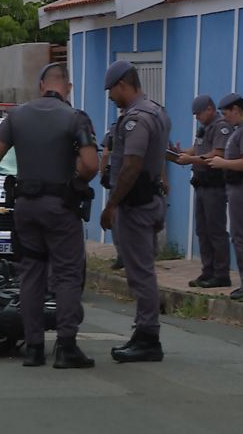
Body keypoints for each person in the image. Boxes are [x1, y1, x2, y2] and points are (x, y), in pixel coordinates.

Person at [0, 63, 99, 369]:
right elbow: (91, 165)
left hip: (25, 207)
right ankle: (66, 347)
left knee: (31, 272)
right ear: (67, 88)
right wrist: (77, 181)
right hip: (59, 207)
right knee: (68, 274)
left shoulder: (16, 116)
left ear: (41, 84)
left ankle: (33, 349)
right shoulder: (75, 118)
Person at [100, 60, 169, 364]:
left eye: (111, 91)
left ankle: (147, 337)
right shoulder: (157, 111)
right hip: (151, 200)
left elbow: (131, 164)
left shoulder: (136, 119)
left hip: (137, 206)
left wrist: (112, 204)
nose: (110, 97)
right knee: (143, 271)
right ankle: (144, 332)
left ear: (122, 86)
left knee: (141, 275)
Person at [208, 93, 243, 300]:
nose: (224, 119)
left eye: (225, 114)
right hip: (237, 186)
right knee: (239, 236)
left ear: (235, 109)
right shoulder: (241, 129)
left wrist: (222, 163)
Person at [172, 94, 232, 288]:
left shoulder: (221, 127)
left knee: (216, 231)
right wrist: (181, 153)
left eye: (198, 114)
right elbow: (199, 148)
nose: (196, 118)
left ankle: (221, 274)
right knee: (202, 231)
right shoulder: (205, 127)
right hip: (201, 186)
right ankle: (208, 272)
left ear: (209, 109)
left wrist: (190, 160)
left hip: (214, 186)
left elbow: (217, 154)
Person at [100, 124, 125, 270]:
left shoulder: (114, 129)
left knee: (114, 218)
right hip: (136, 180)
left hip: (117, 180)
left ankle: (122, 256)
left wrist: (102, 173)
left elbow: (105, 154)